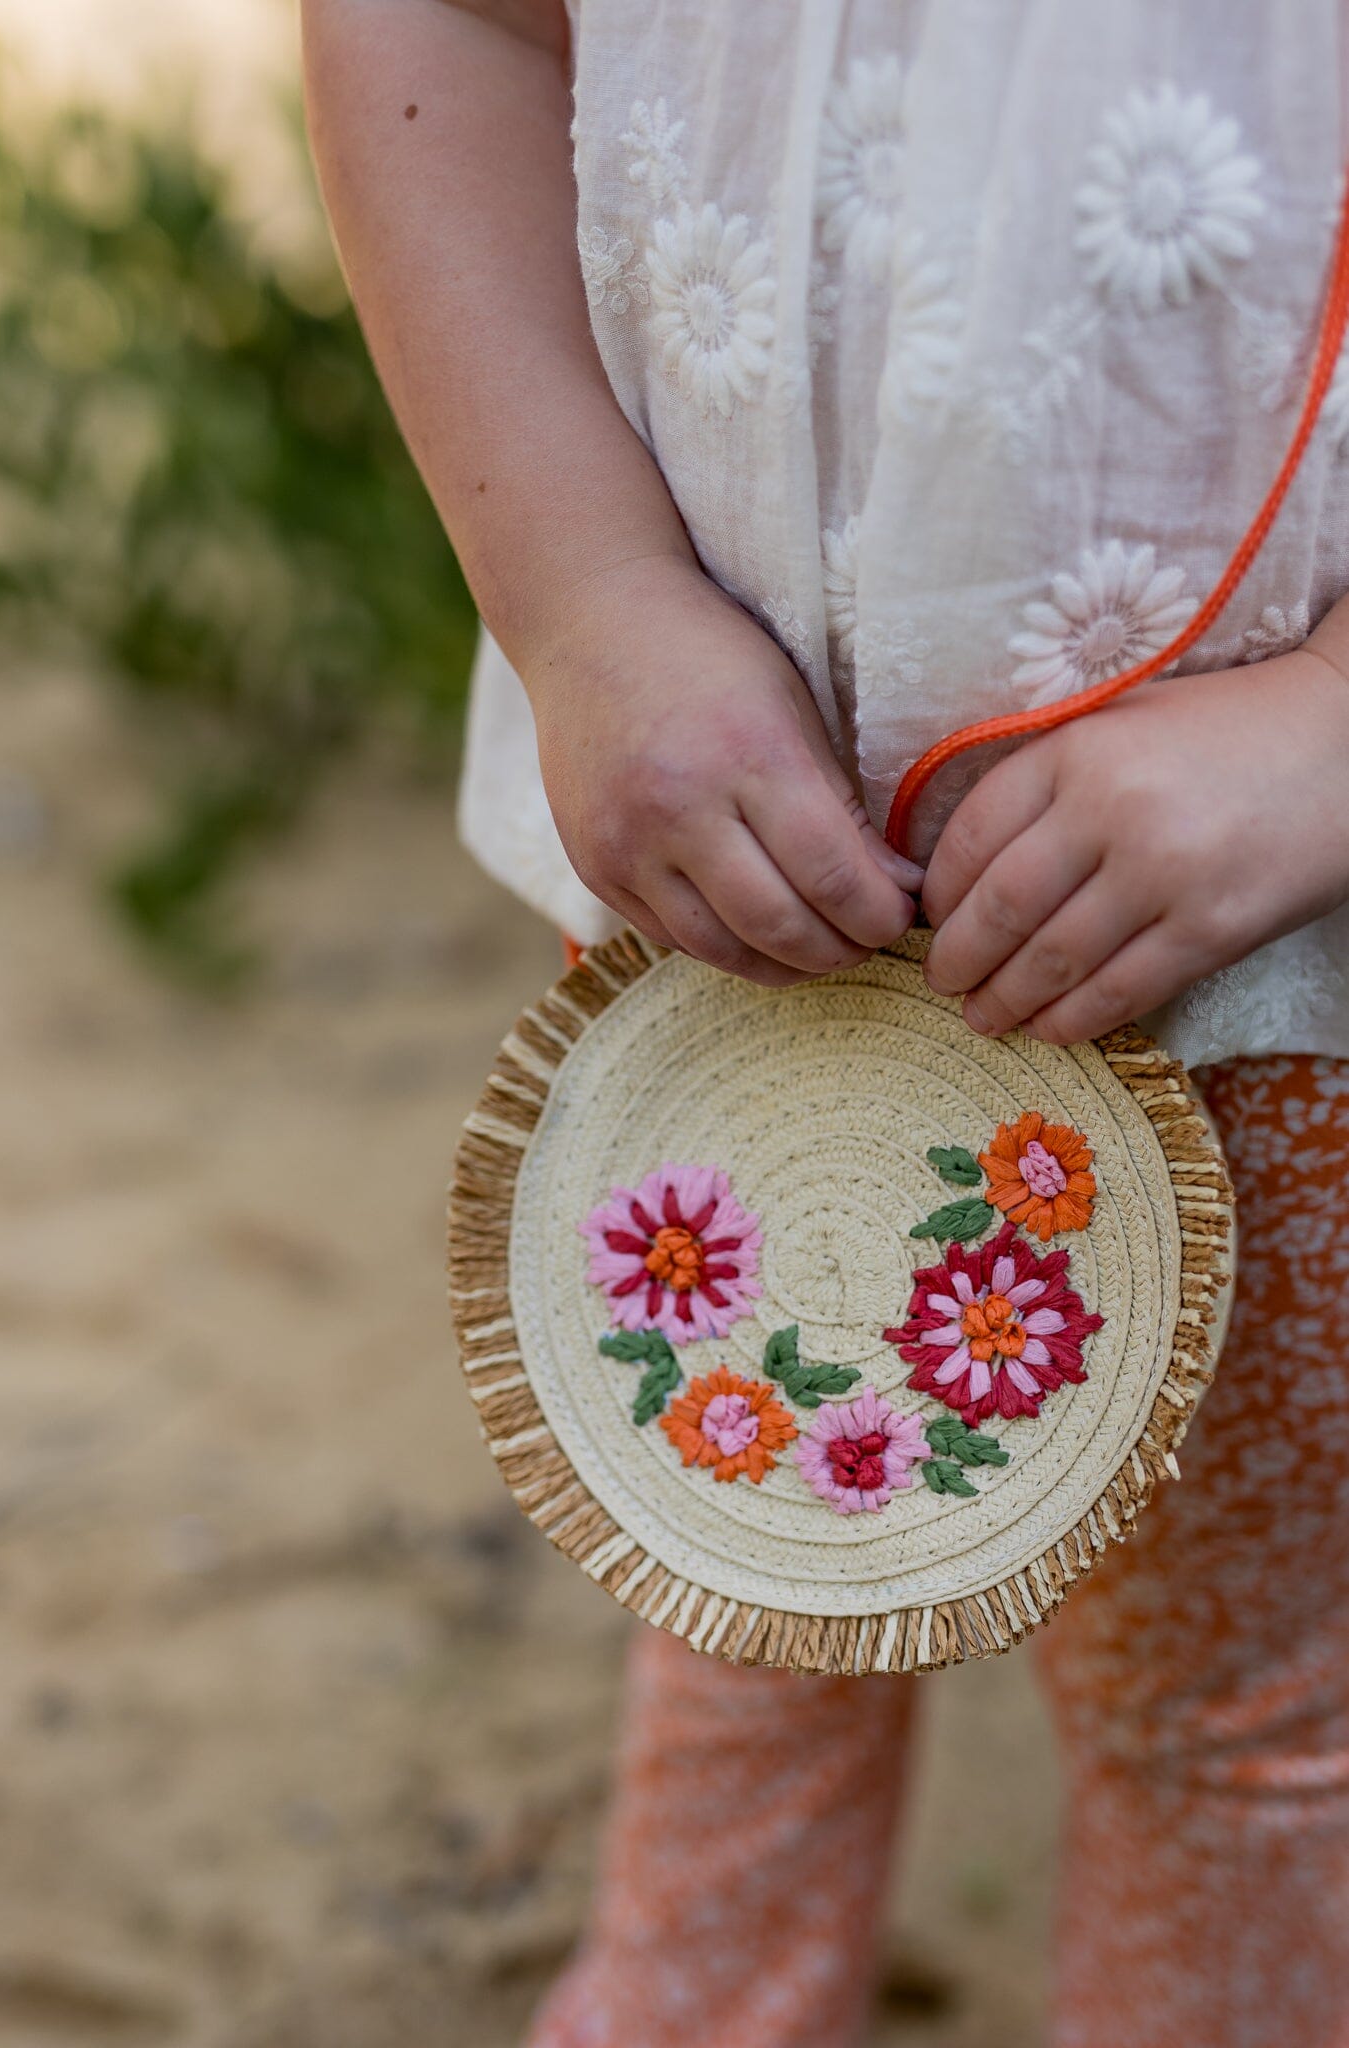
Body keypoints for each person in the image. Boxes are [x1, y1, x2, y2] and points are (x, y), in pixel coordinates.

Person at [303, 6, 1349, 2042]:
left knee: (1233, 1730)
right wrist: (585, 600)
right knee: (747, 1550)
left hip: (1272, 966)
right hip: (728, 869)